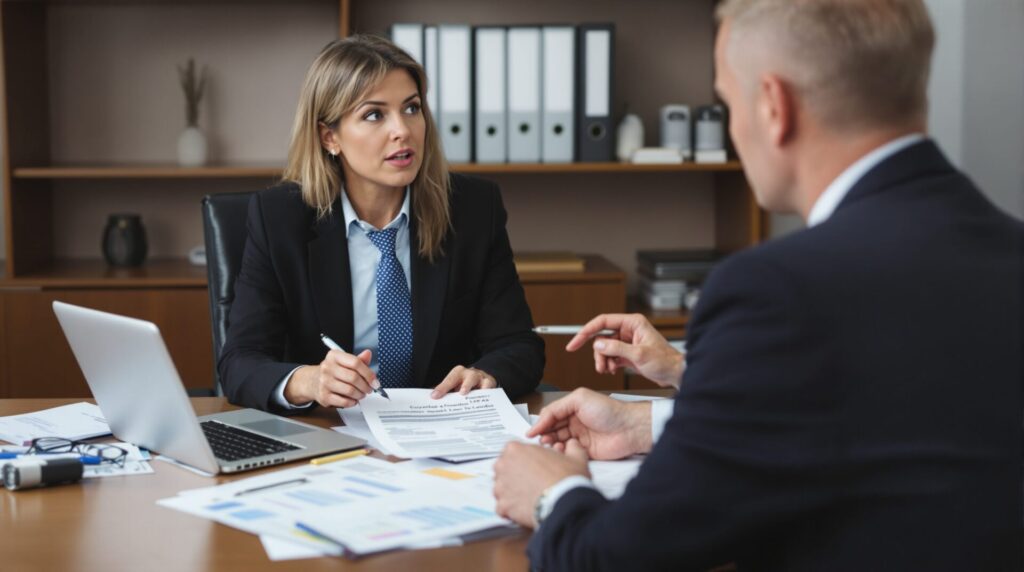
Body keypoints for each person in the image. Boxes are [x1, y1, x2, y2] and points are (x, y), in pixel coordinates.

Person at [492, 0, 1023, 569]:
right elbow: (899, 413)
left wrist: (554, 493)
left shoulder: (777, 289)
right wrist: (655, 419)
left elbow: (618, 559)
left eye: (726, 103)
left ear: (773, 106)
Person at [219, 35, 544, 412]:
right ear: (330, 137)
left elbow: (519, 345)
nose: (402, 130)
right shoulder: (279, 219)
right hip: (331, 435)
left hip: (440, 433)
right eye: (375, 114)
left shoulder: (472, 209)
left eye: (411, 108)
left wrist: (488, 374)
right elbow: (239, 363)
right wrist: (307, 381)